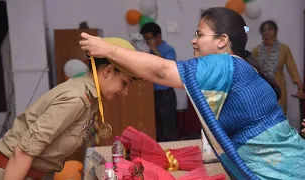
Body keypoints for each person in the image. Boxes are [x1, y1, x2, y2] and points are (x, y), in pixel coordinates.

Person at [79, 7, 305, 180]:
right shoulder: (243, 67)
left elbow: (161, 70)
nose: (193, 40)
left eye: (199, 34)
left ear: (222, 41)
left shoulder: (224, 65)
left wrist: (108, 49)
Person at [0, 37, 137, 180]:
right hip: (8, 173)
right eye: (125, 83)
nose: (125, 92)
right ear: (108, 70)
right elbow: (24, 152)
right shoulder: (76, 99)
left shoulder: (88, 97)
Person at [252, 20, 305, 114]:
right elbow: (251, 69)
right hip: (261, 88)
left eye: (270, 29)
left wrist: (300, 88)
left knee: (279, 113)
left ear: (275, 31)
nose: (267, 32)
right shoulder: (257, 50)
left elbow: (292, 68)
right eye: (264, 30)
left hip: (279, 87)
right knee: (262, 114)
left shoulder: (284, 49)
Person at [140, 22, 178, 142]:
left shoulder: (168, 50)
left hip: (165, 95)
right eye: (146, 40)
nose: (148, 42)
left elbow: (166, 69)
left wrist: (154, 49)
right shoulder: (151, 53)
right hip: (153, 95)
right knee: (158, 130)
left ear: (158, 36)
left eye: (149, 39)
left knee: (168, 129)